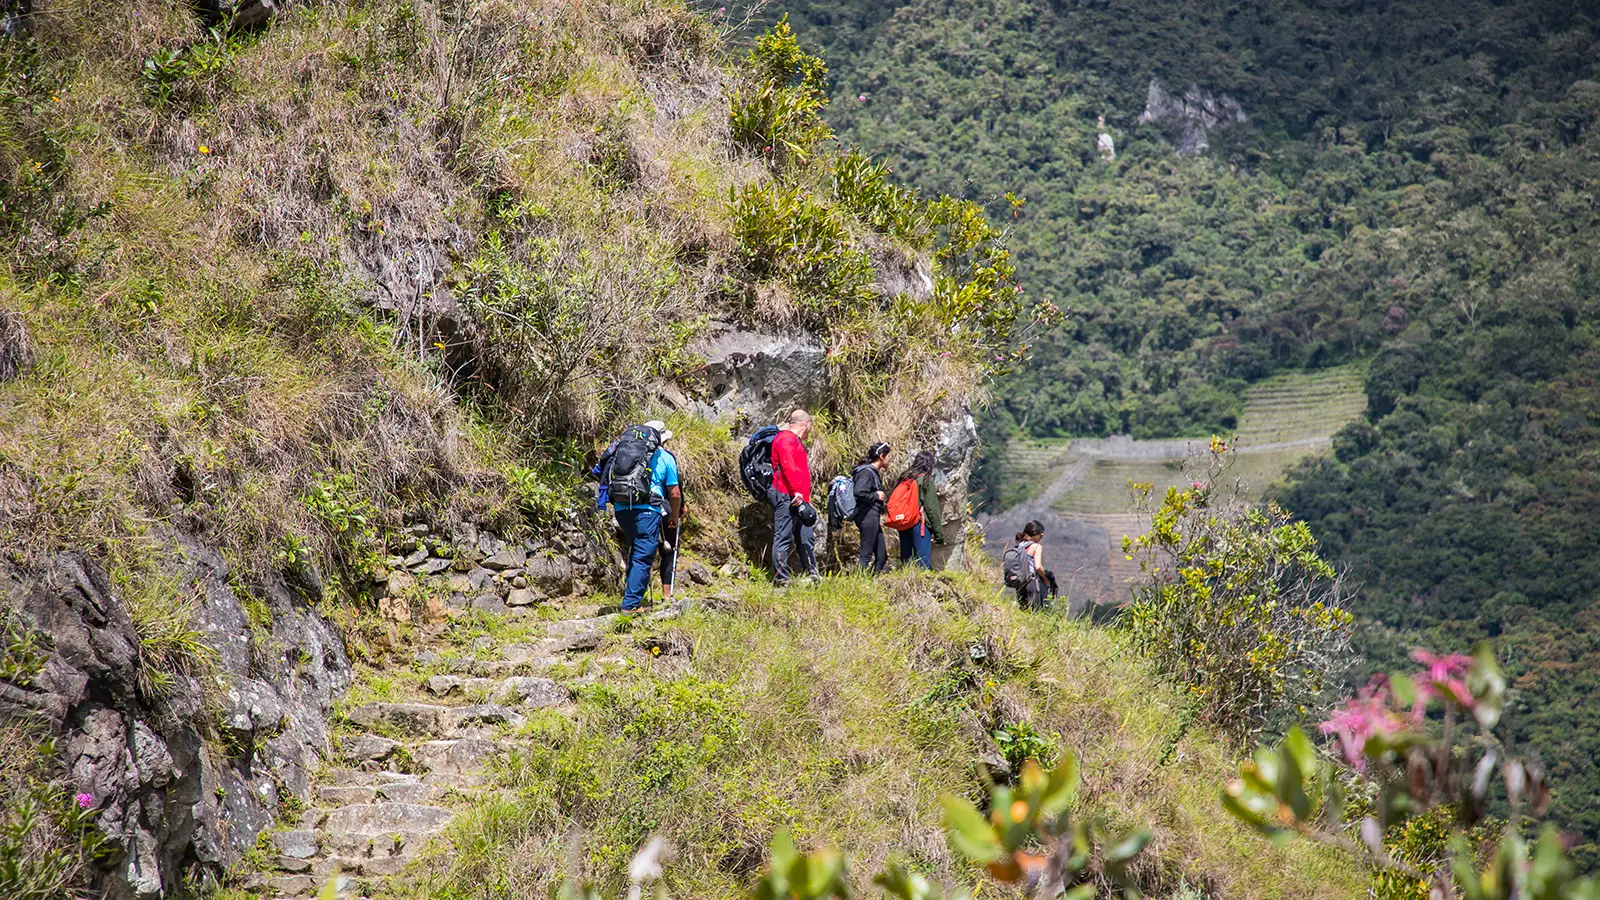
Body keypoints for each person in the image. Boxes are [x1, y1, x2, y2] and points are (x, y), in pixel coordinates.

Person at [609, 420, 682, 611]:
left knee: (636, 549)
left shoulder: (623, 452)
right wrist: (674, 516)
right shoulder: (665, 457)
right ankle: (630, 606)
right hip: (647, 510)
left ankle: (630, 596)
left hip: (621, 508)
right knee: (643, 556)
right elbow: (674, 493)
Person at [769, 409, 818, 585]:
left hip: (798, 498)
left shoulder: (793, 440)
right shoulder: (786, 439)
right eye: (810, 426)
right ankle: (781, 579)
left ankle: (813, 574)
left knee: (806, 537)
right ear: (805, 423)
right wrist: (797, 490)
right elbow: (788, 465)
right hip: (786, 494)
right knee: (783, 536)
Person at [894, 450, 945, 569]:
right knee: (923, 562)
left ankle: (906, 584)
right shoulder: (925, 481)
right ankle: (923, 586)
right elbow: (932, 509)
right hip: (919, 524)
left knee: (906, 561)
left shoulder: (905, 478)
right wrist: (939, 534)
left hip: (904, 522)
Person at [852, 442, 891, 573]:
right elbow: (859, 492)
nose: (888, 459)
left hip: (872, 515)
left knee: (881, 556)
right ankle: (857, 585)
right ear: (881, 456)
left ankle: (870, 581)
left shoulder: (871, 472)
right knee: (866, 554)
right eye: (887, 456)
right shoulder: (866, 472)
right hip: (867, 515)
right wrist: (876, 495)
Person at [1014, 521, 1046, 610]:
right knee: (1035, 610)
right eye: (1041, 533)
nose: (1042, 535)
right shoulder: (1036, 546)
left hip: (1019, 582)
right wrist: (1046, 579)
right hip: (1030, 582)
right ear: (1035, 533)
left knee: (1023, 610)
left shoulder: (1019, 545)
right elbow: (1038, 567)